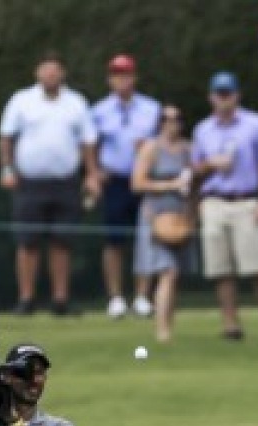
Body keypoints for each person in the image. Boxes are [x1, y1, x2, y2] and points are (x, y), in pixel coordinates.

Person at [0, 52, 100, 317]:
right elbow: (6, 137)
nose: (50, 75)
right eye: (45, 70)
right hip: (29, 182)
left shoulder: (76, 103)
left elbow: (87, 141)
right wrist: (7, 169)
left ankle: (60, 299)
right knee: (28, 242)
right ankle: (27, 298)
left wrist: (91, 174)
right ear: (37, 73)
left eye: (54, 70)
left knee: (62, 242)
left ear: (62, 73)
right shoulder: (22, 101)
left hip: (65, 181)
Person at [191, 71, 258, 340]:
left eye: (228, 94)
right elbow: (195, 170)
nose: (224, 100)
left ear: (237, 96)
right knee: (221, 269)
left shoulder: (255, 124)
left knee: (257, 268)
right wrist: (210, 165)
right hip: (214, 200)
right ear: (211, 98)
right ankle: (231, 324)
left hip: (246, 200)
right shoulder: (202, 130)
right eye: (219, 95)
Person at [92, 54, 161, 319]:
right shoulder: (99, 110)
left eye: (127, 74)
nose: (122, 80)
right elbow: (92, 146)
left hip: (144, 181)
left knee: (146, 239)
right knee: (114, 240)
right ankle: (116, 297)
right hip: (115, 180)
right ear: (110, 79)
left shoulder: (151, 108)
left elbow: (159, 144)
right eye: (117, 75)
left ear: (134, 77)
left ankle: (143, 296)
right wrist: (95, 173)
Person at [131, 104, 195, 343]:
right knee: (167, 271)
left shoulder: (188, 149)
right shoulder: (151, 148)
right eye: (166, 119)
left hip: (179, 216)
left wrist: (192, 215)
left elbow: (193, 186)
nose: (172, 123)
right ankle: (162, 330)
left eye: (177, 118)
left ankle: (168, 324)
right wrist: (169, 185)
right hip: (154, 216)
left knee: (175, 274)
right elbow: (137, 183)